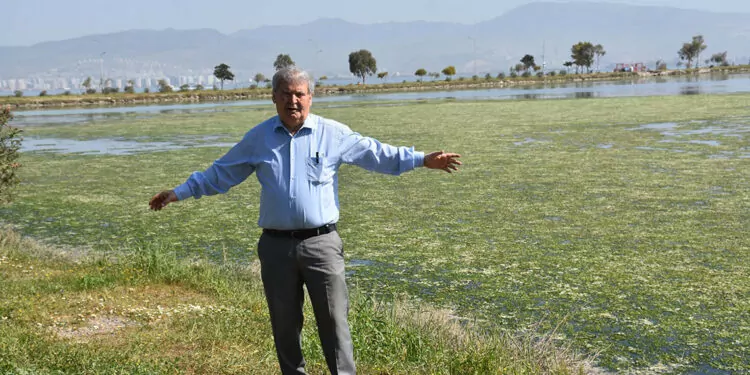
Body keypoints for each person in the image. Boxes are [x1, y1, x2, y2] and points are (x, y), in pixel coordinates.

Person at [149, 67, 461, 375]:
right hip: (275, 248)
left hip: (321, 245)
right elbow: (220, 174)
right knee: (284, 325)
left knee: (334, 323)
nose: (293, 101)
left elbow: (376, 153)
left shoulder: (332, 134)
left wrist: (421, 159)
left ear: (311, 97)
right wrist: (179, 193)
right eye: (286, 94)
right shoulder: (258, 139)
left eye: (300, 94)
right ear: (274, 98)